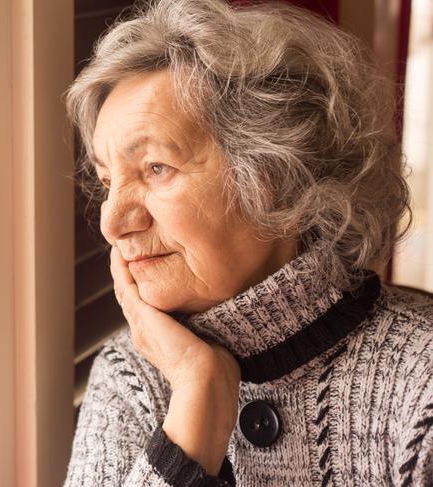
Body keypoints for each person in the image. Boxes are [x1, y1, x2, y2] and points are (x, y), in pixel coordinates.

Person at [62, 0, 433, 485]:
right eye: (108, 180)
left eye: (156, 168)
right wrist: (196, 404)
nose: (112, 223)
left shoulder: (420, 380)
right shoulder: (131, 376)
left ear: (277, 173)